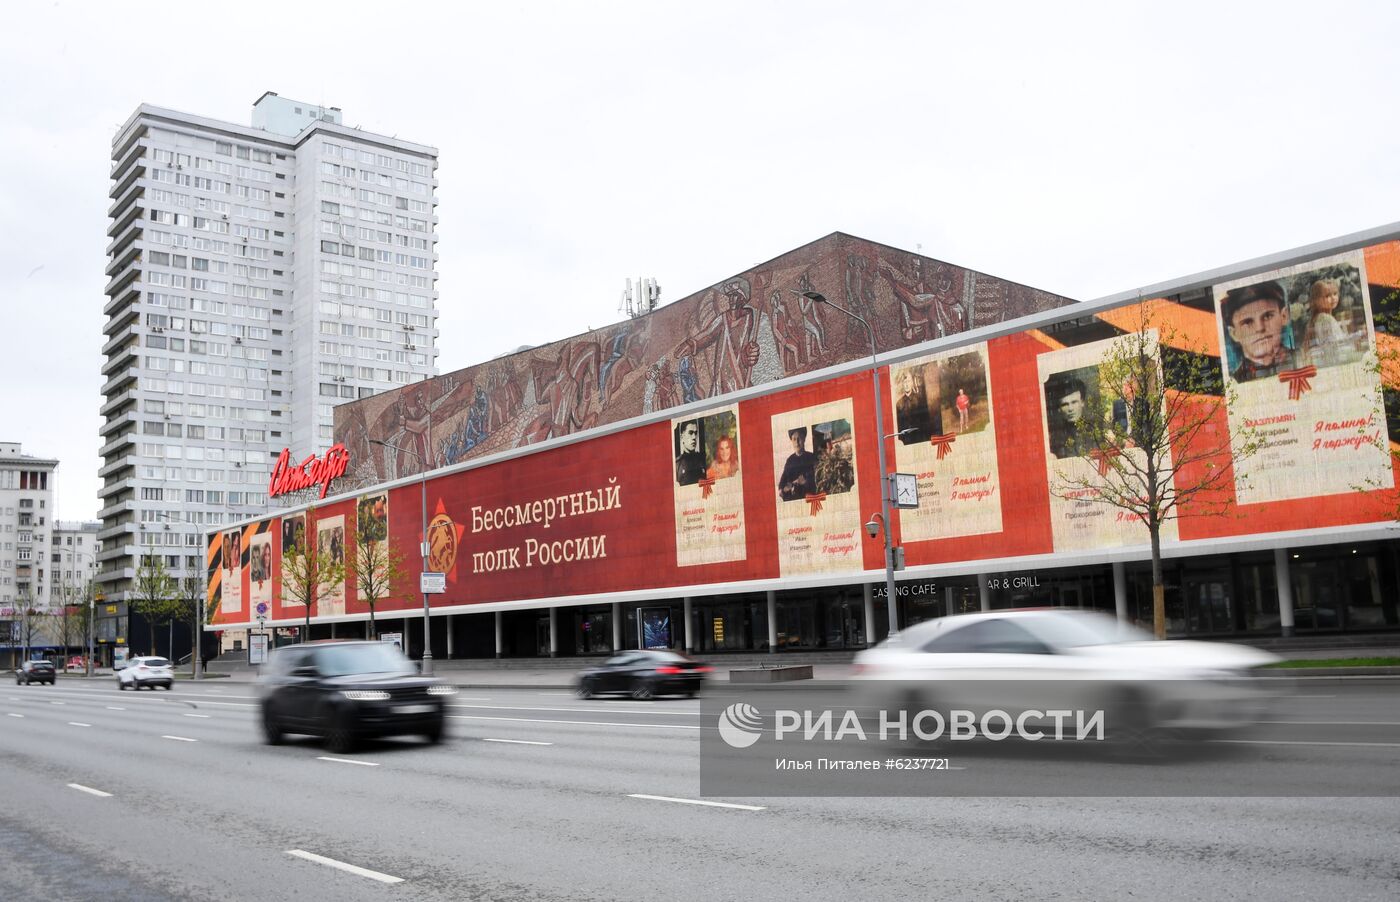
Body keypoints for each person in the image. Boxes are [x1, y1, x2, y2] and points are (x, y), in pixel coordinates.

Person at [1222, 280, 1293, 382]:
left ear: (1284, 316)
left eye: (1267, 316)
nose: (1260, 328)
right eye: (1247, 322)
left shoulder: (1304, 360)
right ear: (1234, 334)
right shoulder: (1234, 382)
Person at [1301, 278, 1347, 368]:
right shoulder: (1326, 320)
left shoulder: (1317, 319)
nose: (1333, 298)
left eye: (1335, 294)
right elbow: (1334, 346)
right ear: (1317, 300)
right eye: (1327, 296)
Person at [1045, 375, 1089, 459]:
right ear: (1059, 409)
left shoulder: (1098, 431)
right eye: (1065, 404)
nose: (1070, 409)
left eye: (1074, 402)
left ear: (1082, 402)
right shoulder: (1053, 439)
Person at [778, 427, 817, 501]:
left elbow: (814, 478)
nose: (797, 442)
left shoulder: (812, 457)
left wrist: (797, 482)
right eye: (794, 439)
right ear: (791, 441)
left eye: (799, 438)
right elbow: (783, 481)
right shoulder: (790, 460)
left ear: (804, 439)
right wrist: (781, 489)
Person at [894, 369, 932, 443]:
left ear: (912, 383)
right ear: (902, 384)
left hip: (920, 438)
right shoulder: (899, 404)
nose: (906, 385)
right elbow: (899, 426)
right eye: (904, 382)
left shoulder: (920, 400)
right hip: (906, 440)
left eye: (908, 381)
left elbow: (926, 421)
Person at [674, 419, 706, 486]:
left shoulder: (703, 460)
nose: (694, 437)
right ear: (682, 436)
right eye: (690, 433)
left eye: (695, 433)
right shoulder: (677, 465)